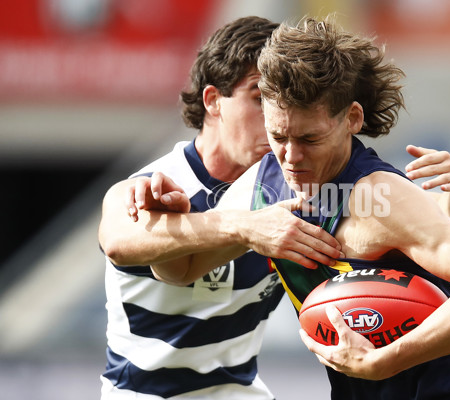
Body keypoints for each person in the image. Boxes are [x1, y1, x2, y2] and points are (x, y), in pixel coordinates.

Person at [144, 16, 450, 400]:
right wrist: (172, 223)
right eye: (278, 135)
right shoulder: (262, 186)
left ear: (352, 118)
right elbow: (181, 270)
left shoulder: (381, 198)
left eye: (309, 138)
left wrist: (386, 360)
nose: (291, 157)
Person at [98, 16, 345, 400]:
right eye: (260, 98)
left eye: (284, 101)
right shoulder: (153, 185)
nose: (274, 117)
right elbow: (117, 239)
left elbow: (434, 253)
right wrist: (244, 227)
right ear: (213, 101)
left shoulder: (296, 187)